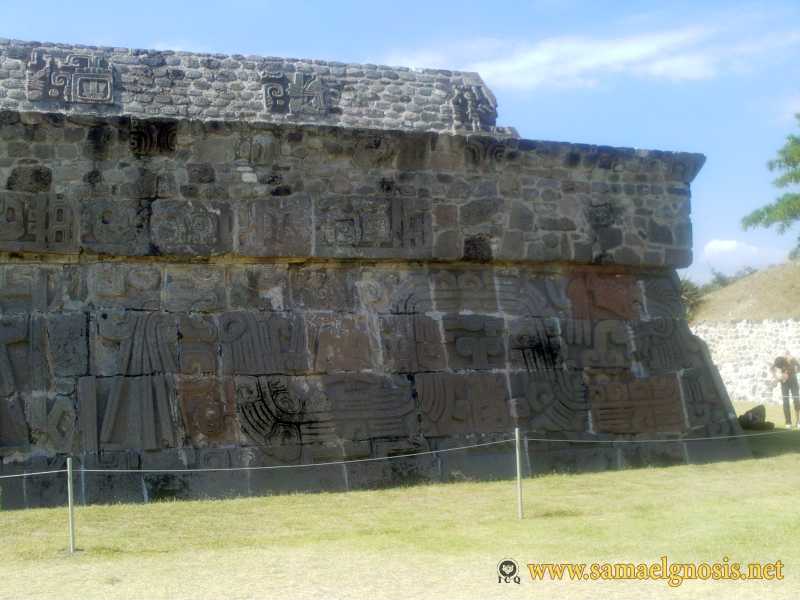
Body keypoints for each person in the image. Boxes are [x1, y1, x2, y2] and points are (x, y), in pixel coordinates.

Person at [772, 350, 800, 428]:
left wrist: (787, 373)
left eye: (781, 367)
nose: (781, 368)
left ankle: (798, 422)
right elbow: (772, 369)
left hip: (793, 380)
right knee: (785, 401)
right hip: (784, 382)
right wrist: (776, 378)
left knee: (796, 400)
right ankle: (788, 422)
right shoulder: (779, 361)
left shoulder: (791, 360)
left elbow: (799, 368)